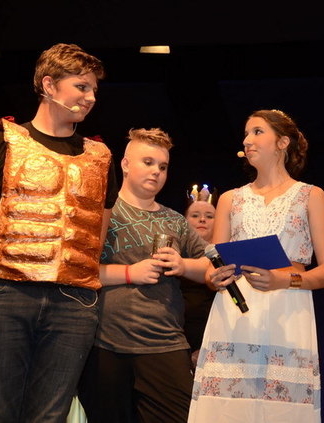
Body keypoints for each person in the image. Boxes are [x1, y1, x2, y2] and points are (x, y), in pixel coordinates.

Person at [0, 43, 118, 422]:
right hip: (4, 294)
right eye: (81, 87)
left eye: (94, 90)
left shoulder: (101, 158)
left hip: (73, 302)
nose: (90, 97)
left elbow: (97, 236)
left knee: (50, 416)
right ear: (49, 85)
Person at [188, 109, 324, 422]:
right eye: (246, 134)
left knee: (280, 409)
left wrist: (283, 281)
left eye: (257, 132)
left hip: (288, 307)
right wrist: (215, 277)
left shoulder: (311, 196)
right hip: (235, 311)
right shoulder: (230, 199)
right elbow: (212, 268)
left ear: (282, 142)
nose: (247, 140)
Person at [78, 128, 210, 423]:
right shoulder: (101, 212)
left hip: (165, 342)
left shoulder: (175, 220)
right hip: (105, 344)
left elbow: (210, 266)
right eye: (148, 162)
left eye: (163, 166)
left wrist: (183, 265)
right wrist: (130, 273)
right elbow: (77, 270)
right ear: (125, 164)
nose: (156, 172)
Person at [181, 197, 217, 368]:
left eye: (209, 216)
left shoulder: (227, 260)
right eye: (195, 215)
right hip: (175, 343)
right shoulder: (172, 255)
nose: (202, 220)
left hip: (213, 344)